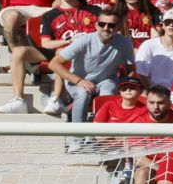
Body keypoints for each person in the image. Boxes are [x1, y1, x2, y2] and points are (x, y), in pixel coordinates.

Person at [48, 9, 137, 152]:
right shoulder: (84, 40)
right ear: (96, 25)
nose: (106, 28)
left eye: (111, 25)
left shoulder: (125, 43)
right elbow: (54, 63)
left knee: (108, 92)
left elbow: (131, 68)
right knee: (83, 94)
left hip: (107, 79)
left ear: (118, 27)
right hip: (78, 79)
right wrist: (79, 81)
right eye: (102, 24)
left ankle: (102, 137)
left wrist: (127, 84)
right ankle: (76, 139)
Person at [135, 9, 173, 88]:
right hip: (151, 92)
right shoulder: (148, 45)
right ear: (163, 25)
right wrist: (151, 92)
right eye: (167, 23)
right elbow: (141, 73)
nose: (171, 25)